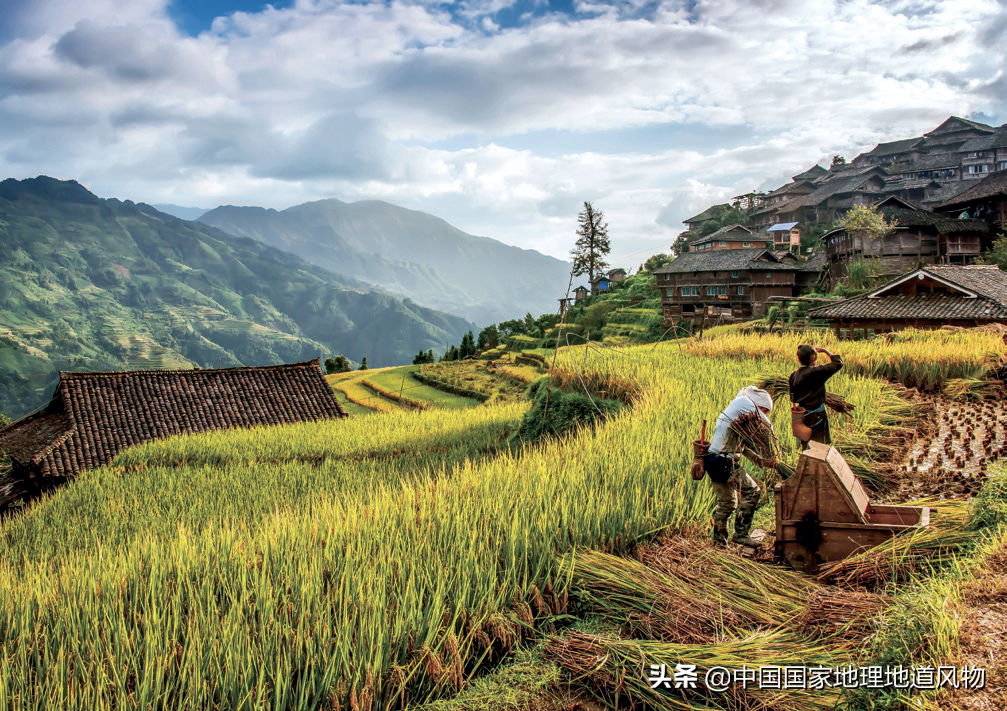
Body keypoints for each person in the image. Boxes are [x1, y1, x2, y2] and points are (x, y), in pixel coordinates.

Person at [704, 386, 777, 547]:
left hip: (713, 461)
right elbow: (767, 425)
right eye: (764, 410)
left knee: (727, 504)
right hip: (723, 462)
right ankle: (741, 534)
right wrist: (774, 448)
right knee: (753, 492)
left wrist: (763, 462)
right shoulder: (742, 402)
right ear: (757, 404)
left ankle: (719, 542)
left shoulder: (738, 420)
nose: (764, 414)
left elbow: (743, 448)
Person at [789, 344, 843, 449]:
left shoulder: (794, 375)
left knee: (806, 445)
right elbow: (838, 363)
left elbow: (793, 398)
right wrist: (825, 350)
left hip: (804, 417)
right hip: (817, 417)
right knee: (819, 447)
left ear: (799, 359)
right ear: (813, 358)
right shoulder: (816, 372)